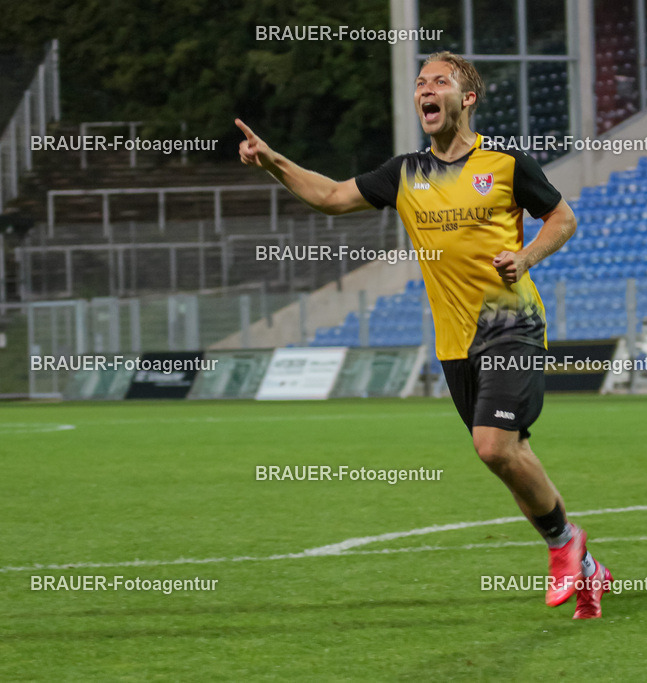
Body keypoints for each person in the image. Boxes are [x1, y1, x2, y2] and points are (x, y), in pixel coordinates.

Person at [235, 51, 610, 618]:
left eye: (440, 82)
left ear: (468, 98)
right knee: (509, 458)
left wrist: (527, 256)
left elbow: (563, 217)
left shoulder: (506, 163)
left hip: (511, 325)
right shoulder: (405, 173)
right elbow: (332, 196)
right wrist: (271, 161)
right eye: (420, 84)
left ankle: (565, 547)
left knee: (493, 445)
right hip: (454, 344)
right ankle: (585, 567)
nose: (425, 91)